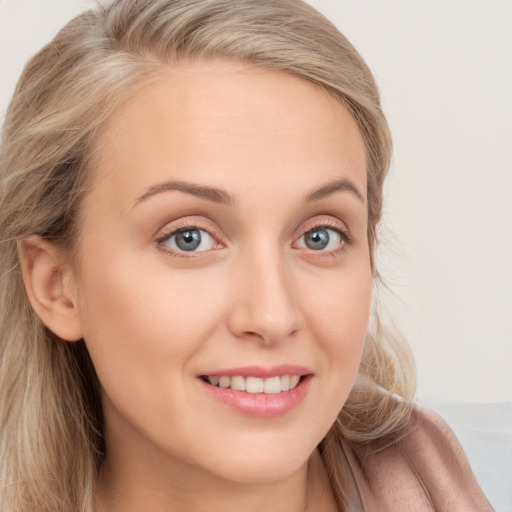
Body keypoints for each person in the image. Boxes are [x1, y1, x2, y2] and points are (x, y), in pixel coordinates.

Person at [0, 1, 493, 511]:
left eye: (320, 236)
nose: (272, 316)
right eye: (188, 238)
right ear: (55, 285)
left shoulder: (432, 473)